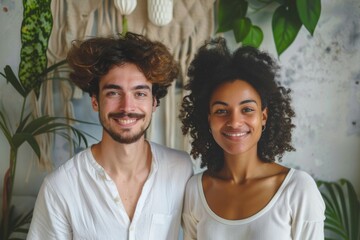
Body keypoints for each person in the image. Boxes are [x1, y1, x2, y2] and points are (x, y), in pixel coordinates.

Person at [27, 32, 193, 240]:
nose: (127, 107)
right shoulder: (60, 187)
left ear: (154, 103)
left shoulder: (181, 170)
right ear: (95, 101)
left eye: (140, 93)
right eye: (113, 93)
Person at [179, 37, 325, 240]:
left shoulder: (297, 189)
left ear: (263, 116)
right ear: (208, 119)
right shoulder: (196, 190)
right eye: (221, 111)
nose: (235, 122)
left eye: (247, 109)